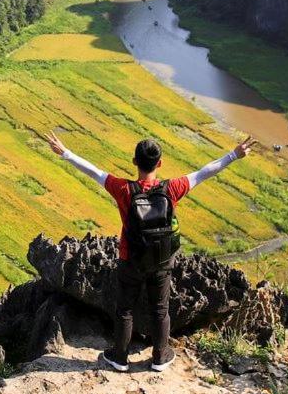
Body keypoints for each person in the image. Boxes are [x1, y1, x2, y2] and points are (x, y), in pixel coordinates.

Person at [43, 131, 255, 372]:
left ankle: (119, 357)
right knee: (160, 309)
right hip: (162, 261)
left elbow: (94, 172)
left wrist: (66, 153)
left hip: (130, 259)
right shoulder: (172, 188)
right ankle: (160, 356)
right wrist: (233, 155)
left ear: (135, 162)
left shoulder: (123, 189)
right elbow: (205, 172)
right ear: (160, 163)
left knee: (124, 309)